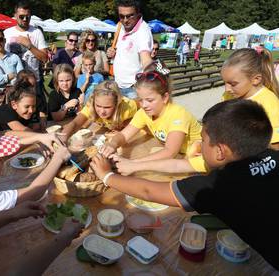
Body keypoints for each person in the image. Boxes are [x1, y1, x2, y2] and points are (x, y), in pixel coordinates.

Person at [90, 99, 279, 270]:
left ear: (220, 151)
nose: (199, 145)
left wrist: (106, 176)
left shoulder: (218, 185)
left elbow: (148, 191)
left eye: (203, 141)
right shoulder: (274, 155)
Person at [114, 47, 279, 176]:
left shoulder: (270, 104)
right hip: (218, 158)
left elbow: (273, 148)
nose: (227, 88)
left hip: (241, 166)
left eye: (233, 83)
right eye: (225, 82)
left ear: (256, 79)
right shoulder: (230, 94)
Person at [99, 65, 202, 161]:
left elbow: (170, 152)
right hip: (181, 155)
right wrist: (112, 144)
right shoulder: (143, 113)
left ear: (165, 97)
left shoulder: (178, 115)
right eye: (141, 100)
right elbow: (124, 135)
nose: (144, 105)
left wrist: (134, 163)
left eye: (150, 100)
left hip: (197, 156)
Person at [4, 1, 48, 120]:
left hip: (34, 81)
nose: (24, 19)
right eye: (21, 16)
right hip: (14, 82)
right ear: (15, 16)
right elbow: (0, 55)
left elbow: (45, 58)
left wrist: (30, 46)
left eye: (27, 17)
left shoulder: (36, 32)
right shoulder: (7, 33)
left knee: (36, 114)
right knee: (15, 115)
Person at [106, 0, 153, 99]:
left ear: (138, 14)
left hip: (133, 89)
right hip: (117, 85)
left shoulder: (143, 31)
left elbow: (146, 58)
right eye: (121, 16)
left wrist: (151, 79)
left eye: (130, 16)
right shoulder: (119, 26)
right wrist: (113, 53)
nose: (125, 20)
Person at [61, 80, 138, 139]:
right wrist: (62, 139)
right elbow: (75, 123)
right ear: (93, 101)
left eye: (107, 107)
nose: (102, 112)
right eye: (98, 106)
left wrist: (124, 126)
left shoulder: (127, 108)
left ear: (117, 104)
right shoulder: (90, 106)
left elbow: (140, 108)